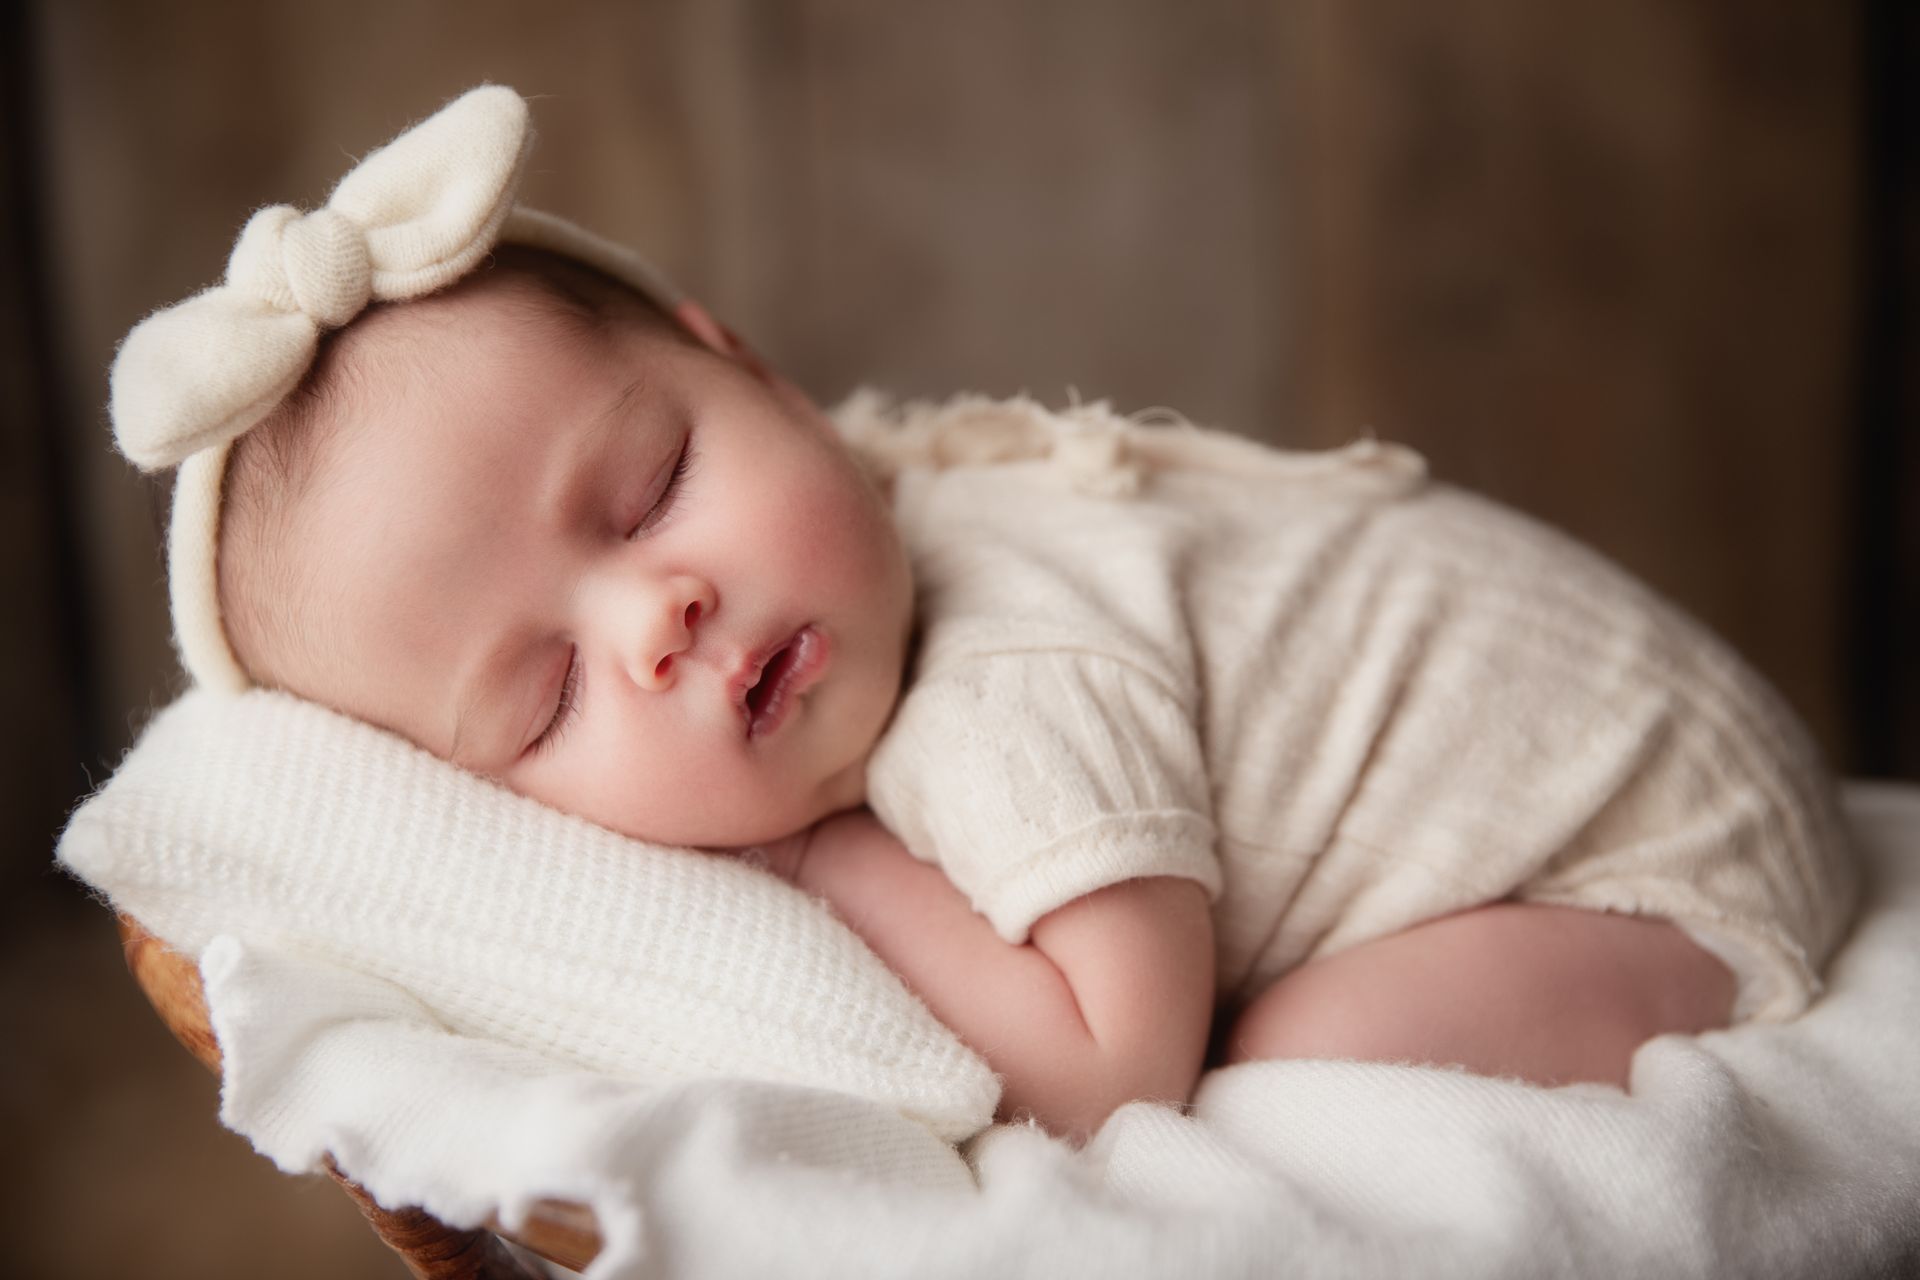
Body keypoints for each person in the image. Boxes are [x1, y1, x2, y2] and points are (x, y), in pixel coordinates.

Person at [110, 87, 1858, 1146]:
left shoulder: (1003, 687)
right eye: (551, 695)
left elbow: (1111, 1075)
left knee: (1296, 1072)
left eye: (646, 496)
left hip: (1653, 855)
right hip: (1624, 732)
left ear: (754, 369)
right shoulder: (866, 535)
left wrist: (823, 869)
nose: (661, 616)